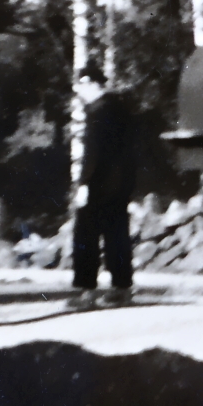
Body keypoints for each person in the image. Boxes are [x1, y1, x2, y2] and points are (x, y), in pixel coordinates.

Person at [69, 78, 139, 308]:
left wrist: (83, 184)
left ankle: (86, 291)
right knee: (117, 236)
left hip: (99, 185)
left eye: (80, 87)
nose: (78, 93)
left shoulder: (99, 112)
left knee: (85, 236)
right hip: (120, 185)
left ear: (92, 84)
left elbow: (93, 153)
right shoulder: (121, 109)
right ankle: (122, 288)